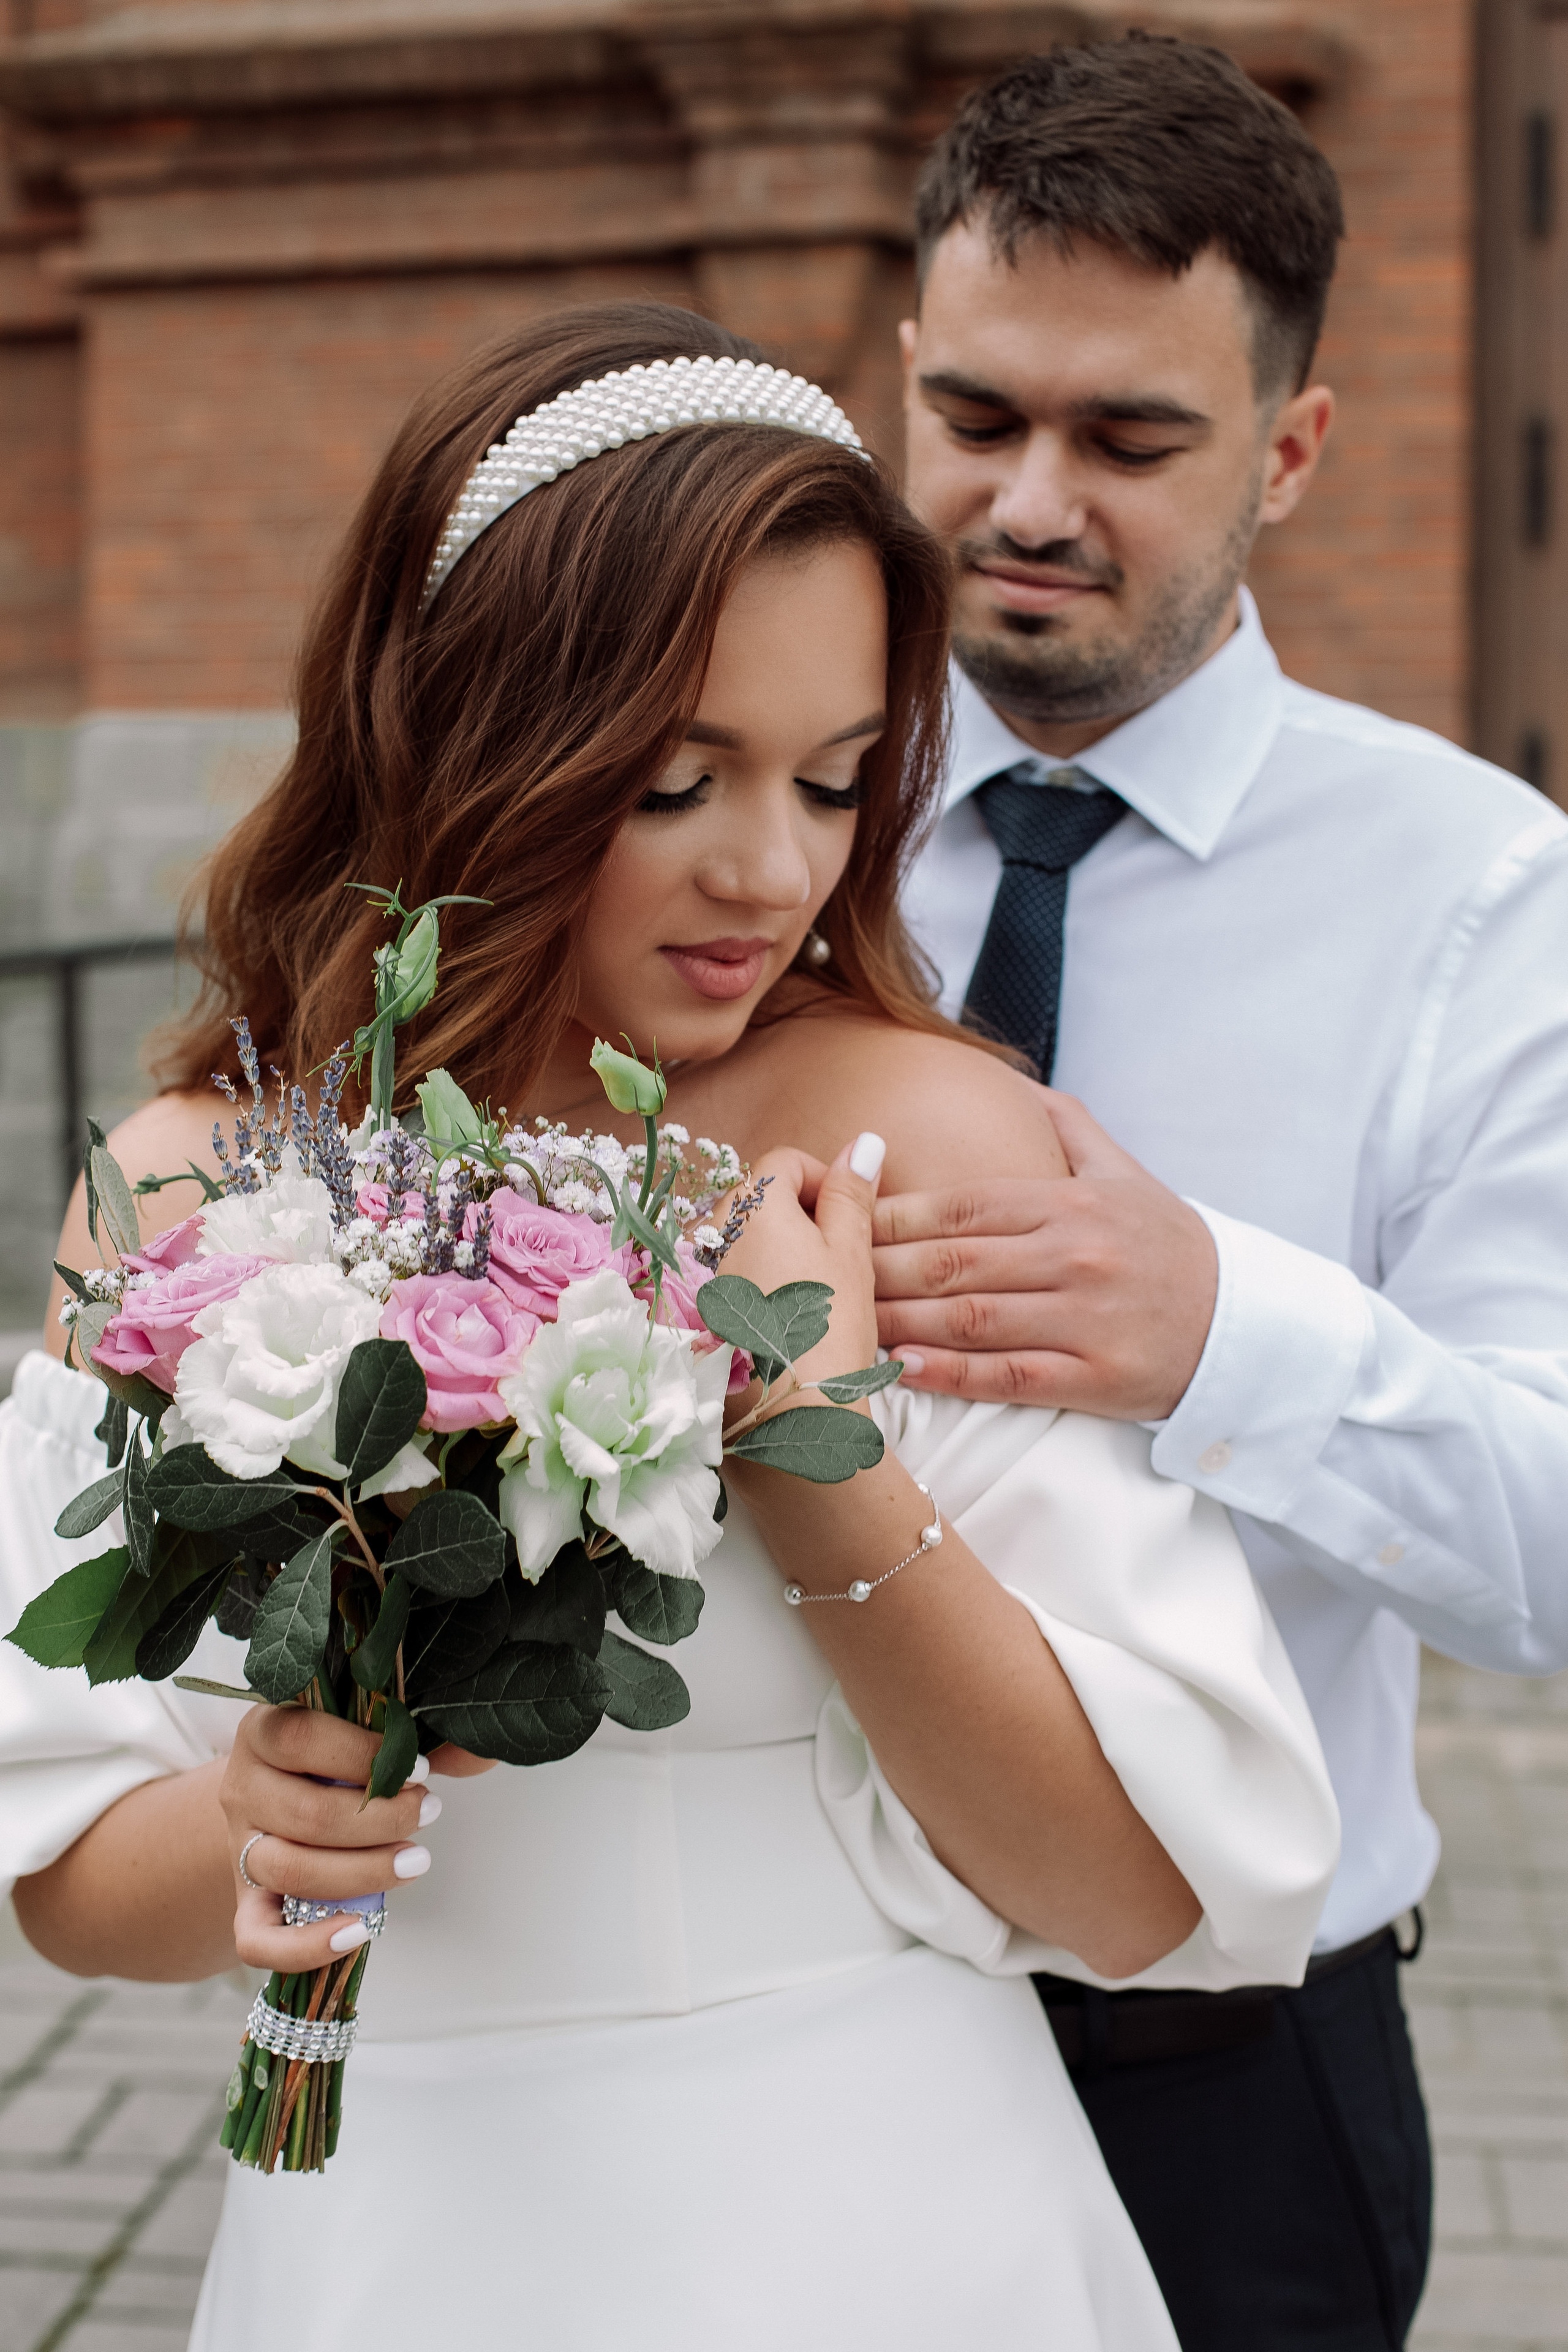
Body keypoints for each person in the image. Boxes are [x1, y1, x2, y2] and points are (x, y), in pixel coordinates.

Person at [0, 303, 1338, 2351]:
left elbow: (1147, 1902)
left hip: (880, 2218)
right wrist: (265, 1818)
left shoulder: (934, 1143)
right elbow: (75, 1879)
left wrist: (812, 1437)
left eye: (829, 780)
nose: (772, 870)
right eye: (676, 781)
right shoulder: (196, 1183)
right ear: (469, 736)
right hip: (392, 2228)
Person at [877, 34, 1568, 2350]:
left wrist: (1226, 1341)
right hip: (789, 2038)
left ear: (1290, 451)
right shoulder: (727, 831)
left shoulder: (1488, 900)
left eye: (1132, 440)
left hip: (1225, 2067)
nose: (1031, 501)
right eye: (976, 420)